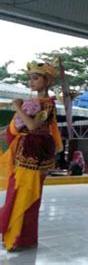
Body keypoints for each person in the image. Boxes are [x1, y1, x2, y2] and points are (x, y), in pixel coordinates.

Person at [0, 61, 62, 252]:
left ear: (48, 81)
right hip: (25, 152)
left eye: (36, 78)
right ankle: (18, 236)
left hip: (32, 154)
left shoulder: (48, 105)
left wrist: (17, 107)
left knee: (23, 194)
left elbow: (34, 126)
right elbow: (23, 127)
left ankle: (19, 238)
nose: (31, 82)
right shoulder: (36, 103)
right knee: (16, 192)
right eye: (30, 79)